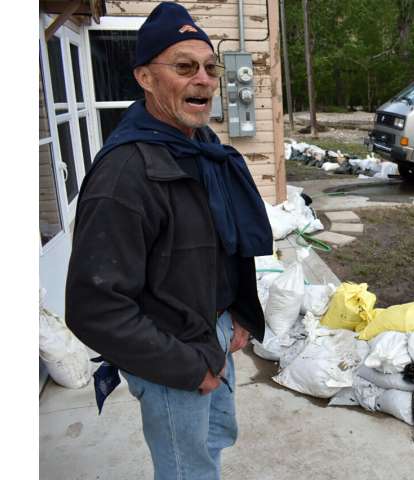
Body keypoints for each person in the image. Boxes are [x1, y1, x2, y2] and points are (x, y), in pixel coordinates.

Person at [65, 3, 272, 479]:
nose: (203, 79)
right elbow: (93, 308)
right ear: (144, 77)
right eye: (183, 67)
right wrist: (186, 367)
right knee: (187, 470)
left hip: (212, 331)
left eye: (209, 67)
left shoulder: (202, 151)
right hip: (171, 353)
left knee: (213, 444)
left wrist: (236, 314)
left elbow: (222, 247)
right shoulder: (125, 175)